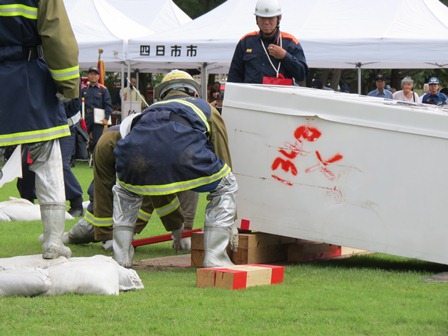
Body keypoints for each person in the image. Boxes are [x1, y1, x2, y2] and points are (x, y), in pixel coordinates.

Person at [112, 70, 238, 268]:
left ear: (163, 94)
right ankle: (215, 257)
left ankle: (121, 259)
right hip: (185, 156)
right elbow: (222, 153)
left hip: (134, 160)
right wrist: (232, 221)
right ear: (193, 93)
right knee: (227, 184)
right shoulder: (204, 107)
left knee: (125, 191)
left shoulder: (149, 109)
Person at [0, 0, 79, 259]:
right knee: (49, 163)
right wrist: (68, 85)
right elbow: (57, 37)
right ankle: (53, 243)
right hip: (30, 82)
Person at [62, 125, 198, 252]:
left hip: (129, 198)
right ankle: (66, 237)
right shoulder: (109, 146)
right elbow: (102, 193)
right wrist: (107, 236)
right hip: (104, 209)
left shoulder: (163, 150)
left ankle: (67, 237)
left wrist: (181, 229)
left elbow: (160, 196)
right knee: (84, 231)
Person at [17, 99, 85, 217]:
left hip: (66, 128)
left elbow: (74, 106)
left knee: (61, 165)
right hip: (40, 128)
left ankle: (76, 202)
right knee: (25, 164)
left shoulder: (68, 82)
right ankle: (27, 202)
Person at [227, 0, 308, 84]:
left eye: (270, 18)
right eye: (262, 18)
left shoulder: (290, 42)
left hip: (280, 95)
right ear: (256, 19)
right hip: (251, 95)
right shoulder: (246, 41)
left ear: (278, 18)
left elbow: (302, 74)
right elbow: (234, 75)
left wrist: (285, 56)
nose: (266, 22)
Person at [81, 66, 112, 153]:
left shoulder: (103, 90)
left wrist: (106, 118)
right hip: (86, 116)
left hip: (99, 118)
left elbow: (108, 105)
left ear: (98, 76)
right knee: (82, 136)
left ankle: (94, 157)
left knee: (97, 140)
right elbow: (78, 104)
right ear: (88, 76)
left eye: (95, 74)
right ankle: (83, 156)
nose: (93, 76)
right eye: (91, 74)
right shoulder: (84, 89)